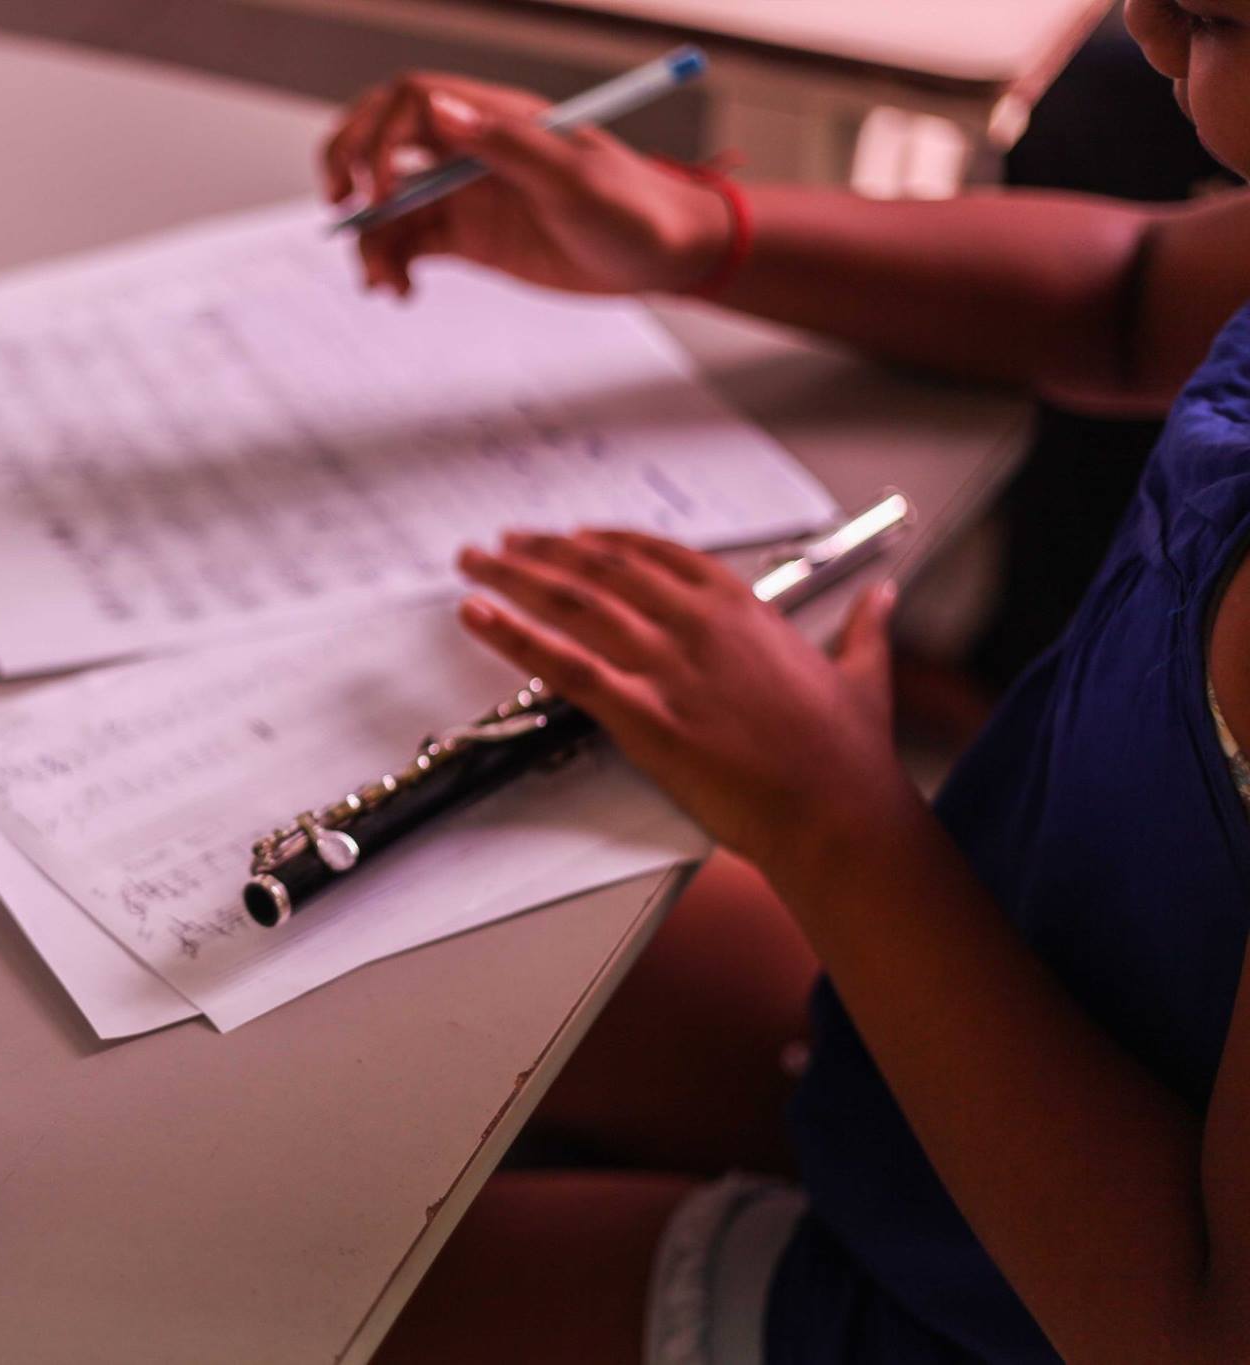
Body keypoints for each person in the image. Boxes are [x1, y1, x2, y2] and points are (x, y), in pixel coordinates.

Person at [321, 2, 1250, 1361]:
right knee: (400, 961)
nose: (1142, 22)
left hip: (1059, 1304)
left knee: (249, 1300)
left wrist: (833, 814)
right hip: (1052, 969)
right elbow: (1133, 291)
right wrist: (694, 230)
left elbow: (1194, 1327)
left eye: (1222, 15)